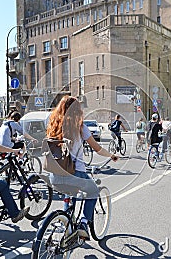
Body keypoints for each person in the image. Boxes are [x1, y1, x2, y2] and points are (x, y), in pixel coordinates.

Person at [46, 96, 118, 239]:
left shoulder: (53, 125)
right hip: (75, 173)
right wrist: (111, 156)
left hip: (54, 176)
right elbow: (97, 148)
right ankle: (84, 223)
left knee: (68, 192)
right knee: (93, 191)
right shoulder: (80, 127)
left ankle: (66, 224)